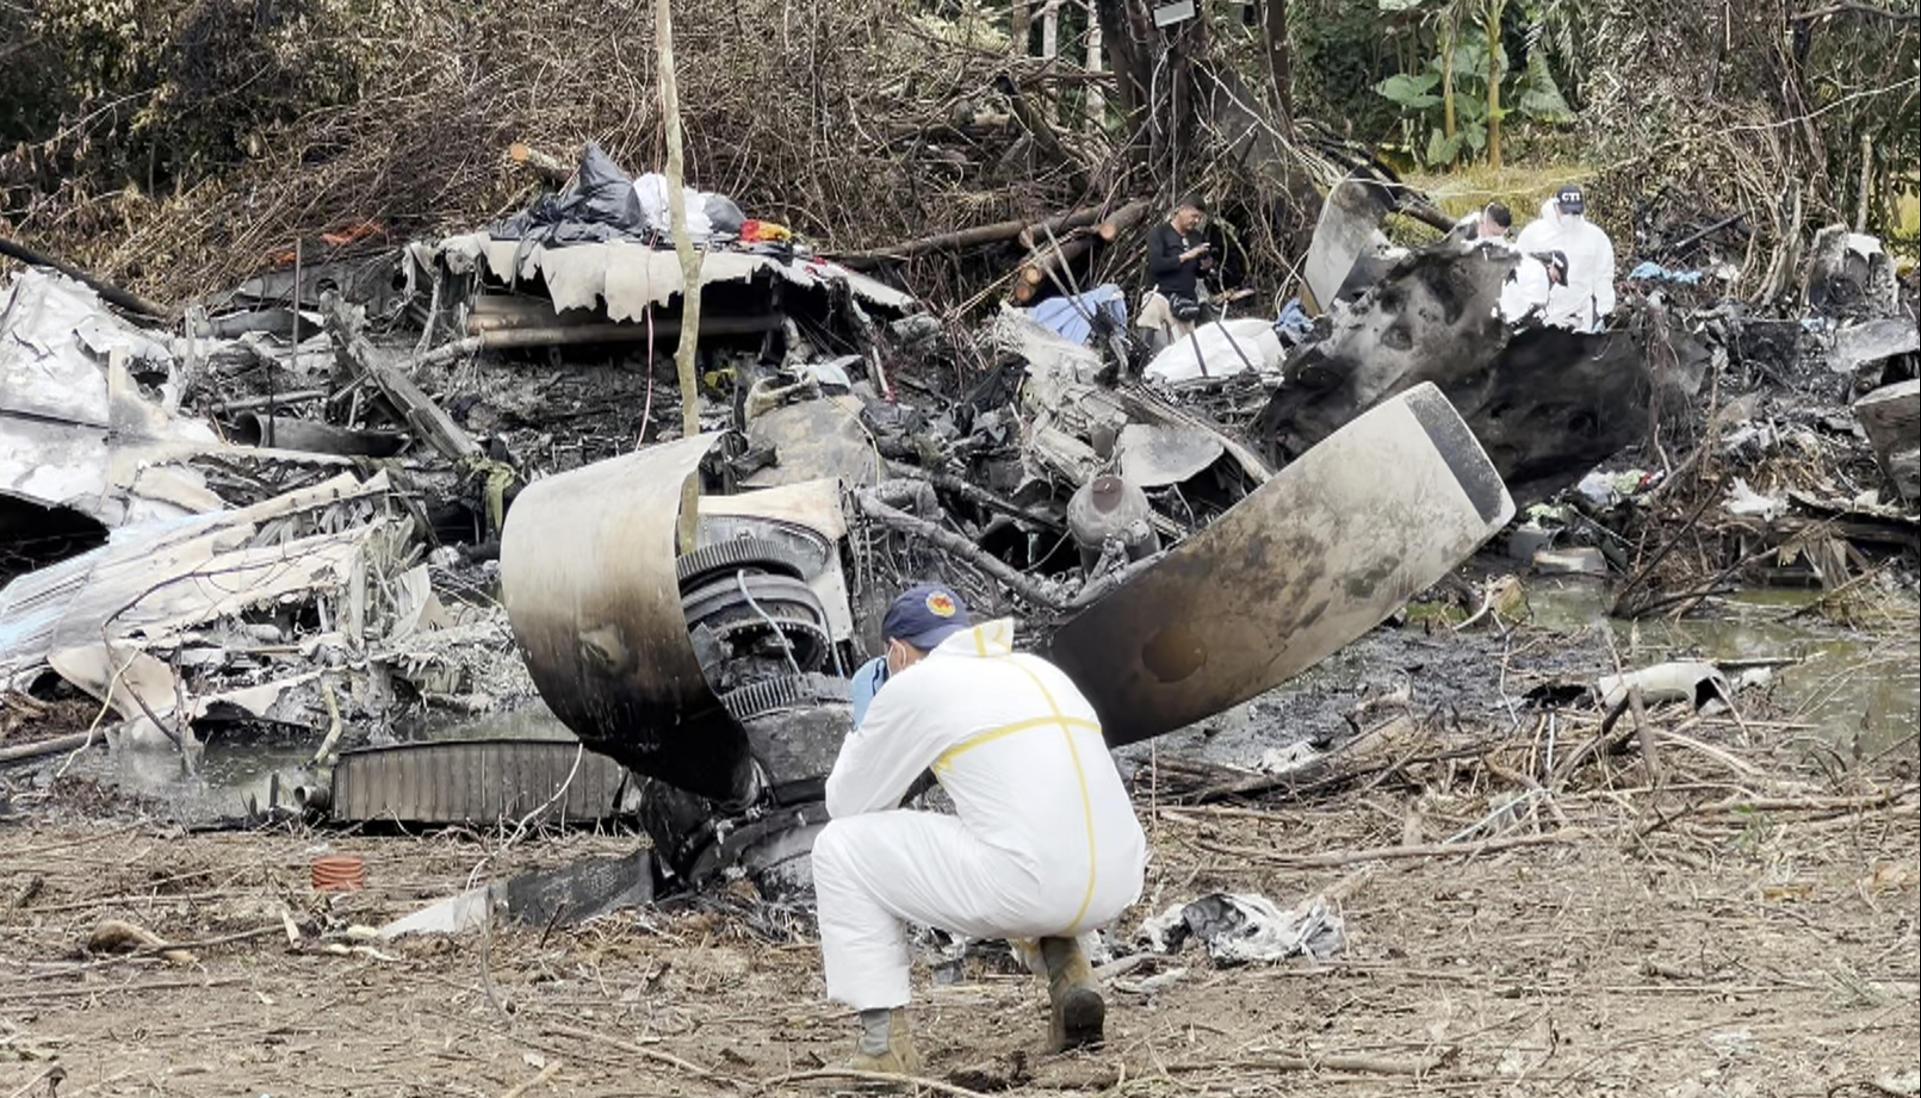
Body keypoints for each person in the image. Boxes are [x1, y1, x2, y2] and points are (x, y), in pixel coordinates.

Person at [812, 583, 1149, 1074]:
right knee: (1019, 830)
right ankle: (1071, 974)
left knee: (838, 848)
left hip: (1033, 884)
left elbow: (848, 805)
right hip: (1117, 879)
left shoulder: (912, 683)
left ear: (897, 653)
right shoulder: (1036, 669)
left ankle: (883, 1048)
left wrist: (864, 725)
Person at [1516, 185, 1617, 331]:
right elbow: (1517, 271)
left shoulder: (1595, 238)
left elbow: (1603, 277)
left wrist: (1604, 312)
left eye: (1575, 212)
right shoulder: (1534, 234)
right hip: (1538, 319)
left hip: (1579, 320)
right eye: (1566, 211)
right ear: (1556, 206)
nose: (1571, 217)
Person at [1137, 200, 1213, 349]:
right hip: (1161, 295)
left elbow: (1198, 272)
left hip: (1185, 301)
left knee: (1185, 351)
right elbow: (1156, 265)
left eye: (1199, 218)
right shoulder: (1159, 233)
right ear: (1181, 210)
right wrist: (1186, 256)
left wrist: (1205, 267)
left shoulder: (1196, 237)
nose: (1196, 221)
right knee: (1150, 312)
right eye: (1194, 216)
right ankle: (1139, 360)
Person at [1499, 250, 1569, 325]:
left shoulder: (1529, 261)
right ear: (1553, 264)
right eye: (1556, 276)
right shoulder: (1540, 274)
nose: (1555, 281)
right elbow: (1539, 302)